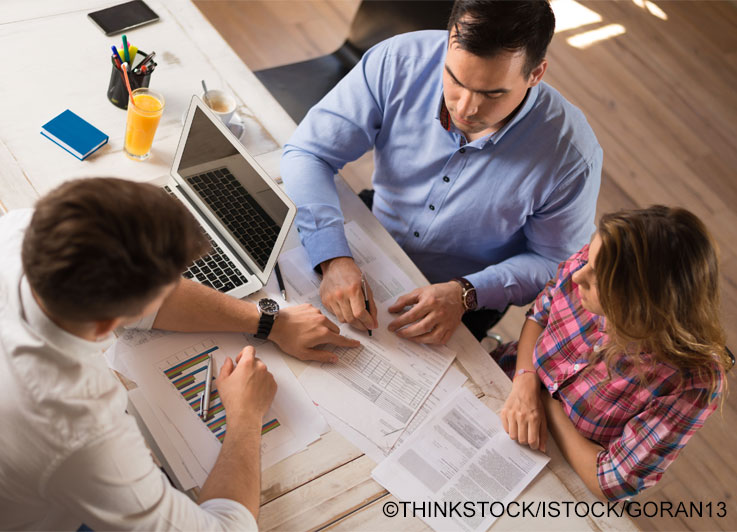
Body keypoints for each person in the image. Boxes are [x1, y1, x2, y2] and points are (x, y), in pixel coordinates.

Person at [0, 178, 358, 530]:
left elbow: (156, 298)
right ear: (107, 323)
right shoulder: (78, 429)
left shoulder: (25, 231)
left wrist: (269, 322)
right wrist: (246, 418)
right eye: (169, 282)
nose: (179, 286)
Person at [281, 0, 602, 344]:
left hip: (465, 294)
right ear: (449, 41)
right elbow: (309, 151)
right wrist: (333, 257)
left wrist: (466, 293)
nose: (465, 108)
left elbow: (554, 261)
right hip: (370, 237)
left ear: (536, 73)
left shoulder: (572, 157)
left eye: (492, 94)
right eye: (455, 79)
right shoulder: (399, 62)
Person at [495, 205, 730, 500]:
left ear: (640, 304)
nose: (578, 276)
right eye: (588, 261)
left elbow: (611, 480)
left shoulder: (691, 383)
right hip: (502, 381)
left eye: (596, 279)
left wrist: (543, 400)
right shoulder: (597, 258)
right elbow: (538, 316)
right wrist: (525, 379)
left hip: (555, 476)